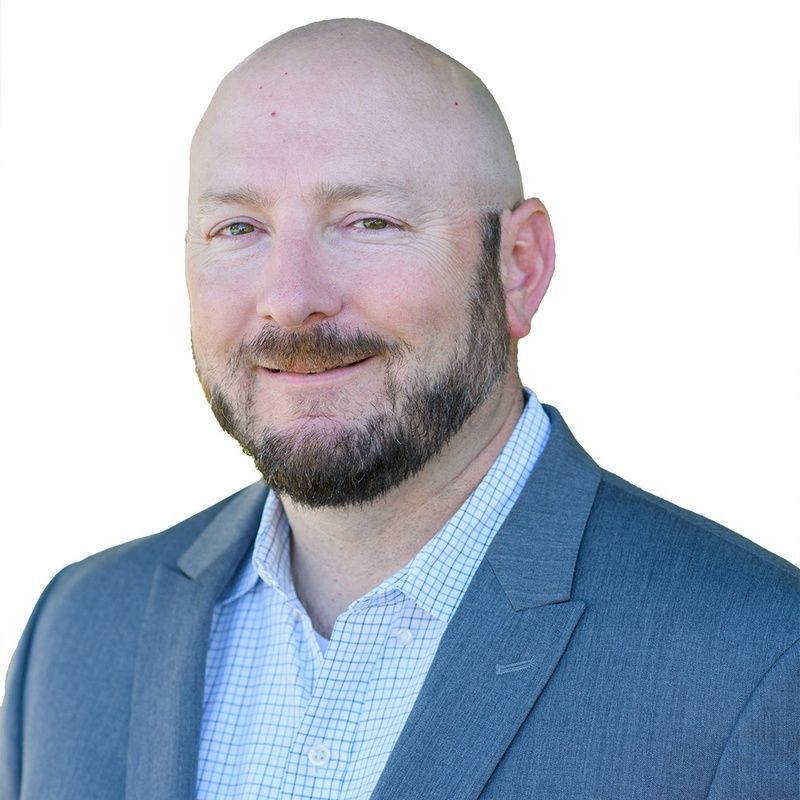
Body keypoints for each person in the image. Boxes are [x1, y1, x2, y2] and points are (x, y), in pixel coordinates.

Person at [1, 17, 797, 800]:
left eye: (369, 221)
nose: (289, 301)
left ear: (518, 267)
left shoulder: (756, 660)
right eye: (238, 227)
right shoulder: (77, 632)